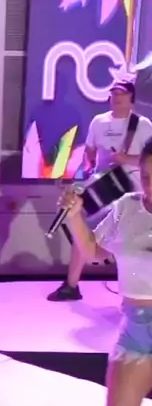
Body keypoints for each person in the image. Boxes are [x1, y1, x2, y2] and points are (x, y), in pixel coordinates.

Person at [58, 138, 152, 406]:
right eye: (147, 177)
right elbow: (93, 250)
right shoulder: (127, 207)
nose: (151, 186)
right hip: (137, 329)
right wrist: (75, 217)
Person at [48, 80, 152, 302]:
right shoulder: (98, 122)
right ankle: (71, 285)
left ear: (131, 99)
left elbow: (147, 161)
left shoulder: (143, 125)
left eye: (122, 94)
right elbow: (90, 152)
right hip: (103, 186)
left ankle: (137, 291)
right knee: (83, 230)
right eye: (114, 94)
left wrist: (126, 159)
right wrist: (88, 168)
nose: (117, 98)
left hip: (131, 187)